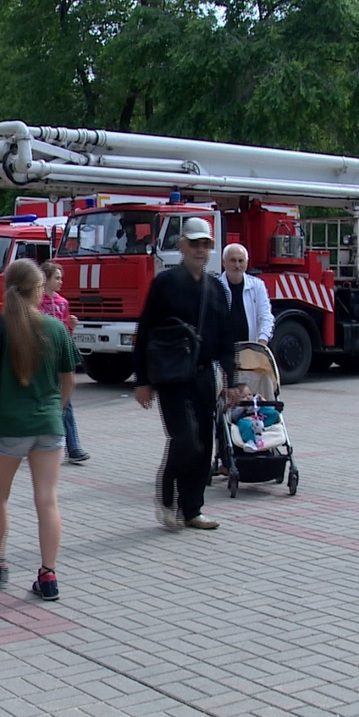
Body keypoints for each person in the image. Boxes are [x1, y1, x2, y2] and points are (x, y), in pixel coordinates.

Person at [0, 259, 76, 602]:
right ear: (38, 290)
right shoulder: (56, 328)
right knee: (48, 499)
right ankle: (48, 575)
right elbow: (69, 379)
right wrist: (55, 409)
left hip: (8, 425)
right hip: (48, 426)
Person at [132, 217, 236, 531]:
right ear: (181, 246)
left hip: (203, 375)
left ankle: (192, 509)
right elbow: (146, 331)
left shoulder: (216, 288)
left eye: (206, 244)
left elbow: (226, 338)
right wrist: (143, 380)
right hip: (172, 377)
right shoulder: (165, 283)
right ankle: (166, 495)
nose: (201, 250)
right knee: (186, 440)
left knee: (204, 444)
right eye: (195, 244)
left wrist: (233, 380)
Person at [39, 262, 91, 464]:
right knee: (42, 399)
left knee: (65, 401)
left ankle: (74, 446)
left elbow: (64, 333)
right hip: (41, 357)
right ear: (45, 279)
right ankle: (35, 438)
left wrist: (70, 327)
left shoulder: (63, 303)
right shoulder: (37, 302)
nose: (60, 282)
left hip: (59, 356)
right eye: (56, 278)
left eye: (61, 278)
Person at [218, 243, 274, 345]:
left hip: (250, 351)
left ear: (247, 263)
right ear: (224, 263)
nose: (237, 265)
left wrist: (262, 343)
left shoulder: (257, 286)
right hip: (223, 353)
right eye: (233, 260)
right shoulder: (216, 287)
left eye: (241, 261)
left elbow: (266, 317)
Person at [228, 383, 281, 449]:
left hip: (259, 420)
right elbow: (233, 417)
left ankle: (262, 427)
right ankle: (250, 441)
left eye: (249, 394)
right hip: (246, 420)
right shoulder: (238, 407)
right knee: (245, 424)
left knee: (273, 413)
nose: (248, 397)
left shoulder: (255, 402)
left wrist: (263, 402)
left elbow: (266, 410)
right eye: (243, 397)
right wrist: (243, 408)